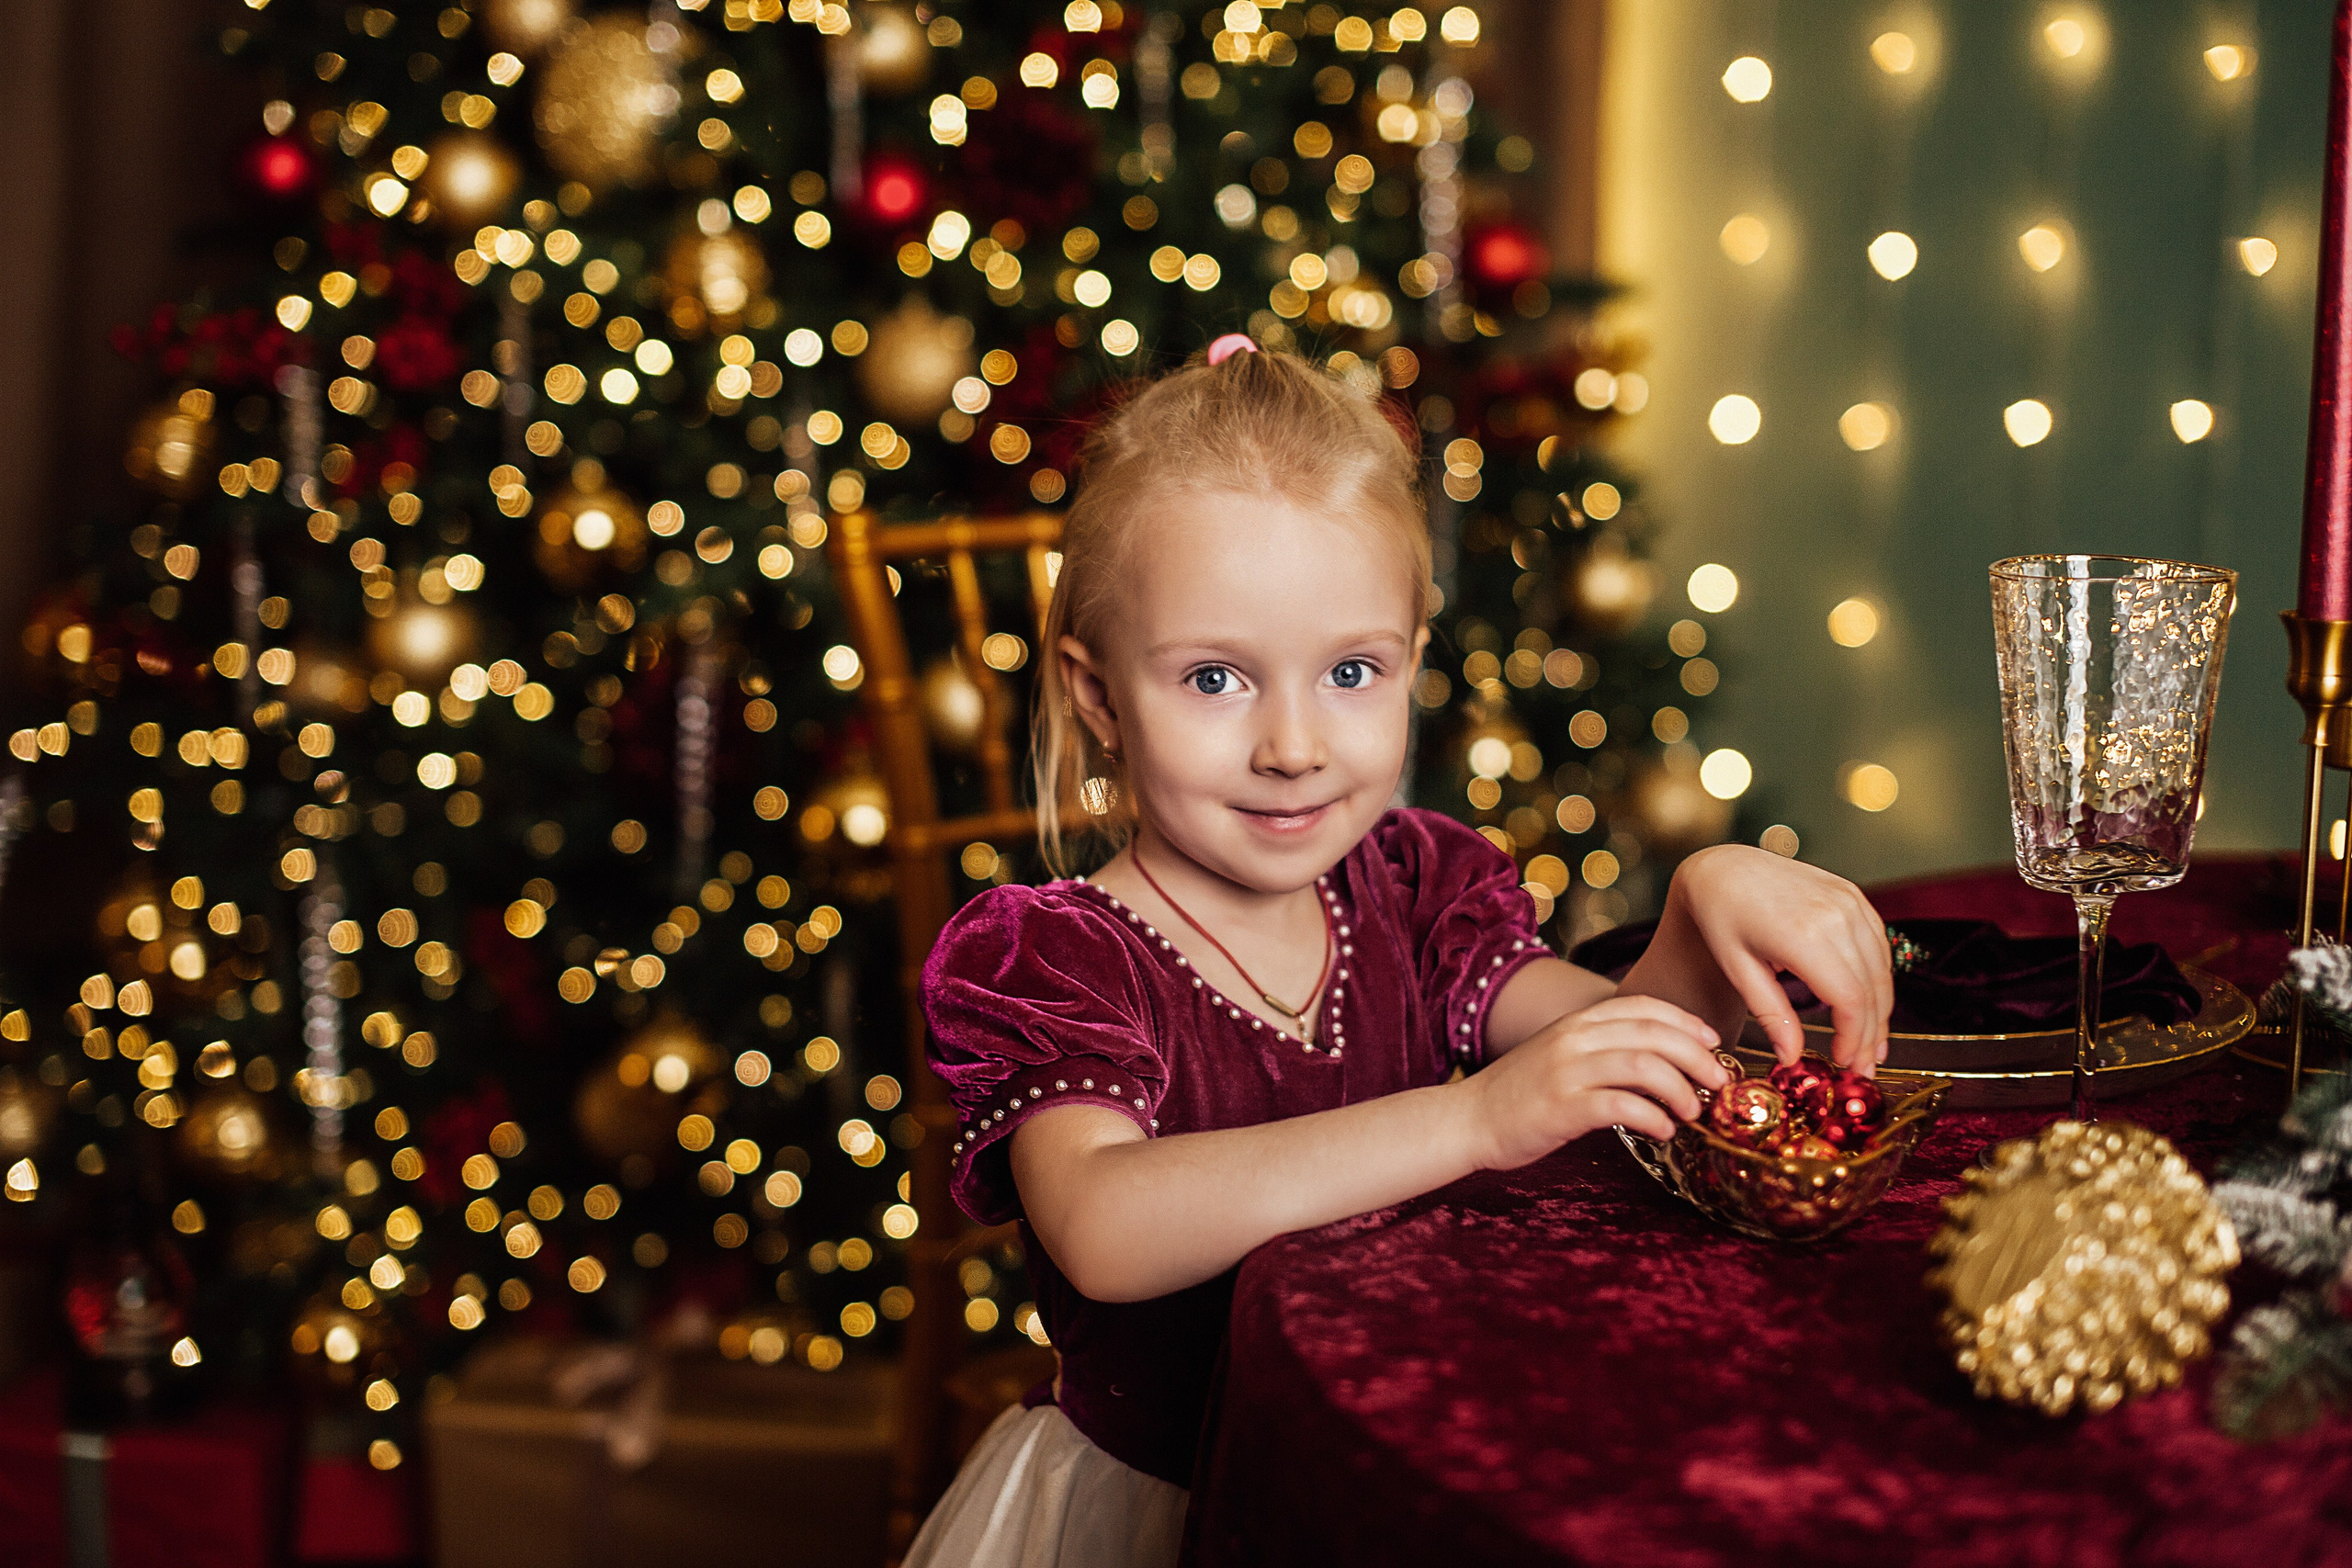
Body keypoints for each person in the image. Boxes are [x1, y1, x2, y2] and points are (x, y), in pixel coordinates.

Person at [903, 336, 1892, 1567]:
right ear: (1098, 695)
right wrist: (1475, 1121)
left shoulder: (1420, 889)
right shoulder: (1052, 957)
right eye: (1216, 678)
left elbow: (1619, 1053)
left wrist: (1702, 904)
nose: (1294, 744)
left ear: (1413, 663)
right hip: (1163, 1516)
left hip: (1396, 1488)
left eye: (1352, 672)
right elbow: (1104, 1226)